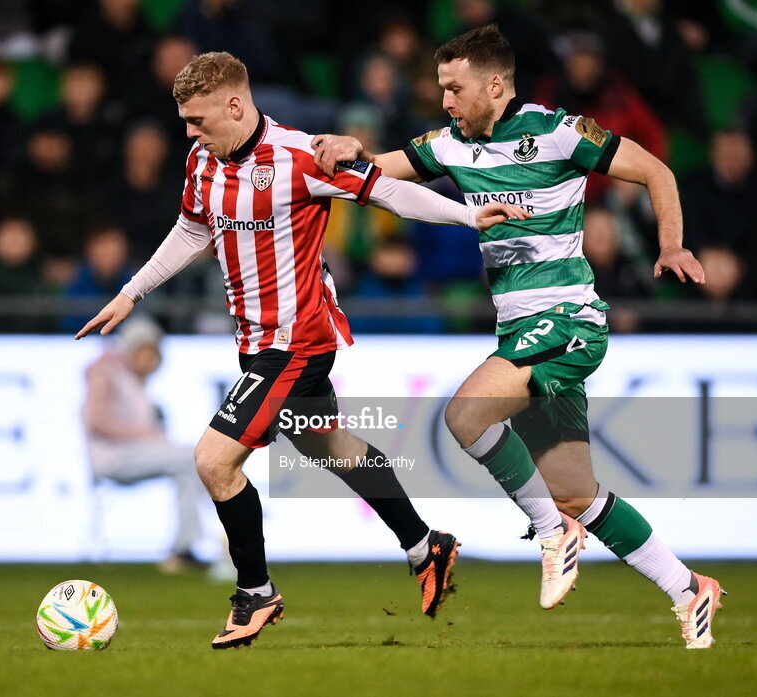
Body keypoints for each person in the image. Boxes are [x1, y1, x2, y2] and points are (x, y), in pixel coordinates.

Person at [76, 51, 523, 649]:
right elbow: (192, 228)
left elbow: (389, 193)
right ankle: (426, 546)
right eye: (184, 121)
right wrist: (132, 292)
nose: (188, 132)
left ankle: (255, 593)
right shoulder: (201, 160)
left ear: (236, 104)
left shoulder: (299, 157)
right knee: (331, 445)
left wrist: (469, 217)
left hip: (297, 342)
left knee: (213, 461)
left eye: (198, 119)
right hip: (255, 343)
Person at [311, 24, 725, 649]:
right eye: (441, 88)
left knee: (466, 416)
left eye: (455, 88)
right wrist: (349, 147)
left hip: (566, 322)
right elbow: (373, 173)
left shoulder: (559, 132)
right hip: (523, 333)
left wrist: (671, 245)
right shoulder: (447, 145)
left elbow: (657, 171)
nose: (445, 100)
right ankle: (688, 587)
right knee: (578, 494)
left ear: (496, 84)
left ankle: (549, 530)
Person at [82, 316, 208, 571]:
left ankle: (186, 547)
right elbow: (95, 421)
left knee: (190, 465)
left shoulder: (131, 379)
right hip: (114, 458)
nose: (151, 359)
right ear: (132, 348)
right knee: (191, 457)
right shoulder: (105, 373)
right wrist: (148, 434)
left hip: (132, 454)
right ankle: (222, 526)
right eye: (146, 351)